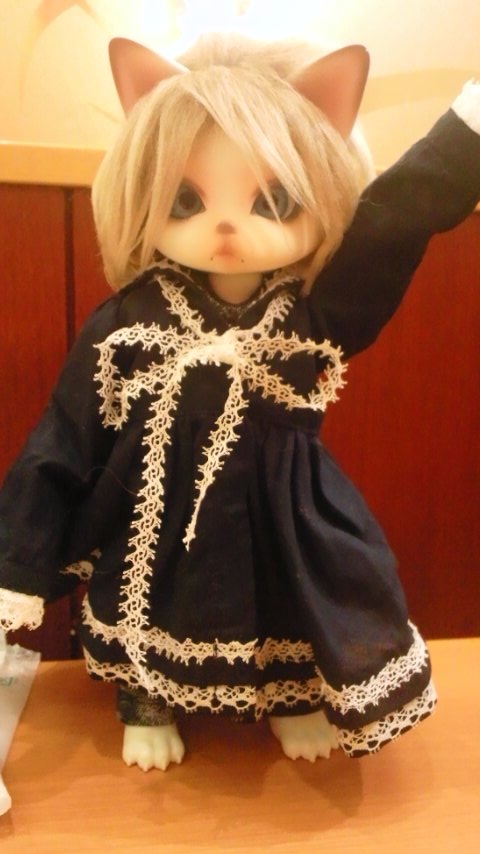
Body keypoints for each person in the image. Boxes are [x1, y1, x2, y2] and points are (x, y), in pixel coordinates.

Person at [1, 33, 479, 772]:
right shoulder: (128, 320)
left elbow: (394, 224)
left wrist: (465, 133)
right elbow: (64, 438)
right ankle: (147, 696)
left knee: (291, 592)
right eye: (185, 199)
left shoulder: (311, 316)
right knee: (150, 594)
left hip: (281, 514)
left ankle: (290, 695)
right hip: (155, 517)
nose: (225, 227)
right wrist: (17, 560)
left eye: (274, 200)